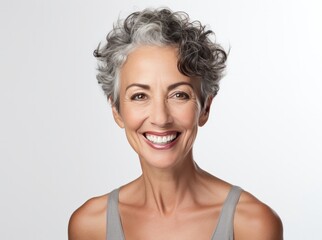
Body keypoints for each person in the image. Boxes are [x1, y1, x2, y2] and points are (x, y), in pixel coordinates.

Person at [68, 8, 283, 240]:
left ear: (205, 108)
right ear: (116, 110)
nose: (160, 118)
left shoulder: (252, 224)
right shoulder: (90, 226)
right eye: (140, 96)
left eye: (179, 95)